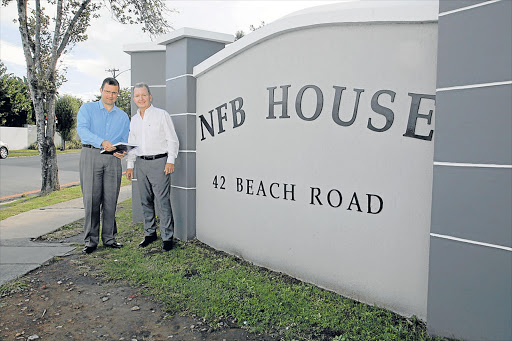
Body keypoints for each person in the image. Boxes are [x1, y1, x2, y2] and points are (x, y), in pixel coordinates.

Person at [76, 77, 130, 254]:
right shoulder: (87, 108)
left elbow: (125, 138)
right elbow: (82, 130)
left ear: (117, 94)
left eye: (114, 93)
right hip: (91, 154)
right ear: (101, 91)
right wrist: (101, 142)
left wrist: (122, 151)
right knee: (91, 199)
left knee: (110, 200)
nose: (110, 95)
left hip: (113, 159)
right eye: (107, 91)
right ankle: (91, 241)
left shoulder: (122, 116)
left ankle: (109, 238)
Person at [125, 83, 179, 251]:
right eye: (137, 96)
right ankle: (150, 233)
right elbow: (132, 144)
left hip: (159, 163)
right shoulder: (133, 120)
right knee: (145, 200)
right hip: (141, 164)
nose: (140, 98)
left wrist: (171, 160)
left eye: (143, 95)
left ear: (150, 96)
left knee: (162, 202)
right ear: (134, 99)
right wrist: (130, 165)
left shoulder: (161, 115)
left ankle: (167, 237)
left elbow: (172, 139)